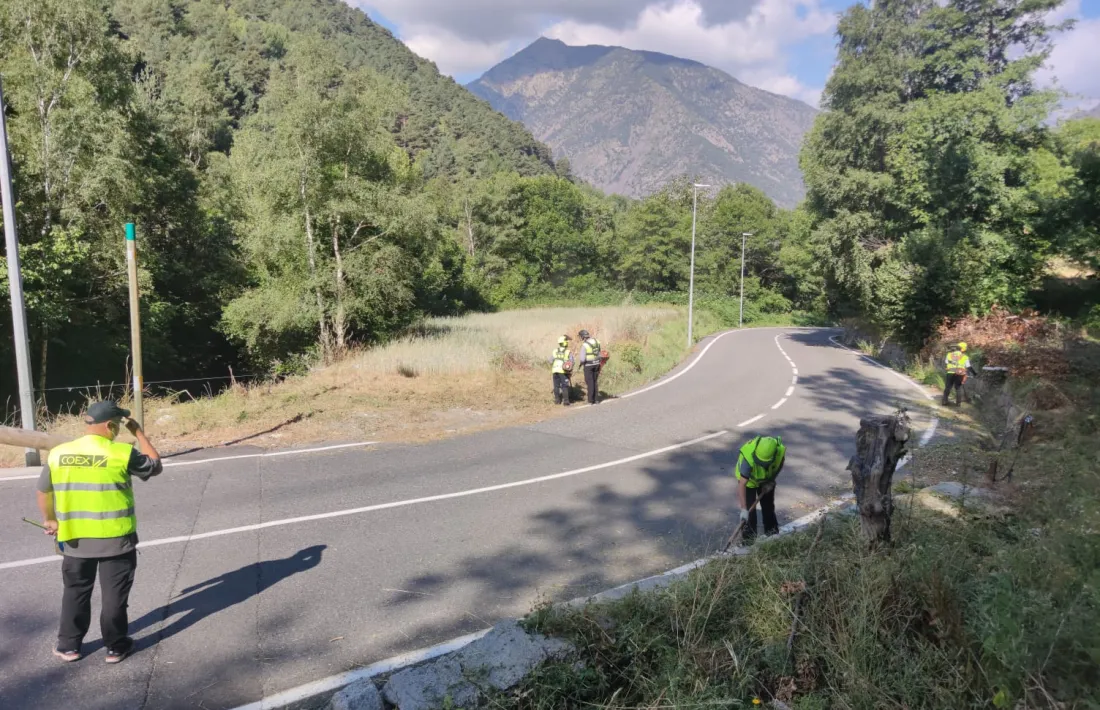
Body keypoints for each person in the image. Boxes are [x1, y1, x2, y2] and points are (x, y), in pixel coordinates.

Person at [35, 400, 162, 664]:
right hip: (116, 540)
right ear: (111, 425)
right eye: (117, 425)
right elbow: (154, 465)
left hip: (74, 539)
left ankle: (69, 646)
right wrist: (139, 433)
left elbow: (44, 490)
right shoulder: (121, 452)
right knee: (114, 595)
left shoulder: (58, 453)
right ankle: (116, 646)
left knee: (75, 592)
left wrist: (49, 520)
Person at [734, 435, 786, 544]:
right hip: (749, 483)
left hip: (767, 480)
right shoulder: (748, 457)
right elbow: (742, 484)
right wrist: (744, 509)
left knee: (768, 507)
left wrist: (771, 480)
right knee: (750, 512)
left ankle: (772, 535)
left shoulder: (779, 450)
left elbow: (780, 463)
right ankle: (749, 541)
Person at [942, 341, 977, 406]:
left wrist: (953, 365)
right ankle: (958, 403)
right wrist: (974, 373)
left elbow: (946, 362)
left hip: (950, 372)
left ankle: (944, 401)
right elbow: (968, 366)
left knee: (948, 387)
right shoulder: (965, 357)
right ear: (963, 349)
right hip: (960, 374)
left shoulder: (949, 354)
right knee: (958, 388)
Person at [579, 329, 602, 405]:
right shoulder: (597, 341)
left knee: (590, 382)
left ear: (583, 337)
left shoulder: (585, 345)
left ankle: (590, 400)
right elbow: (599, 352)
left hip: (588, 365)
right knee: (595, 381)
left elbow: (582, 359)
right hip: (597, 364)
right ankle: (596, 399)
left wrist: (581, 363)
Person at [550, 334, 574, 405]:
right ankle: (566, 401)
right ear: (565, 343)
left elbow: (550, 360)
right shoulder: (567, 352)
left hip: (555, 370)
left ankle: (557, 401)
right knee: (564, 386)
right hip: (563, 371)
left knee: (556, 386)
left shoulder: (555, 351)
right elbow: (572, 362)